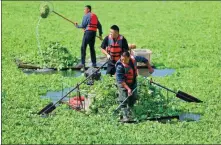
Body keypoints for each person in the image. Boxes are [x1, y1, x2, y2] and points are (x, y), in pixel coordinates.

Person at [115, 51, 154, 122]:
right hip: (122, 83)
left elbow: (145, 60)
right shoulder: (119, 66)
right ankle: (124, 115)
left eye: (125, 59)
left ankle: (130, 111)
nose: (123, 61)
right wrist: (128, 89)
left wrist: (150, 68)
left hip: (132, 81)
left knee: (134, 96)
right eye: (122, 59)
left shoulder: (134, 59)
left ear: (129, 58)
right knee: (123, 98)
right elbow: (121, 80)